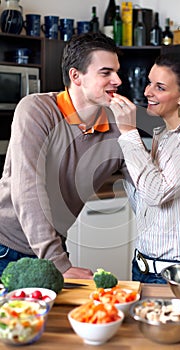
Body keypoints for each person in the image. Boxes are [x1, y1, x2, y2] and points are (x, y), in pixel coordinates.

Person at [0, 32, 131, 278]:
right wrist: (58, 263)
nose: (117, 80)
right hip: (6, 247)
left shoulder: (118, 128)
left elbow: (148, 192)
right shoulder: (37, 110)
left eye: (117, 71)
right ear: (76, 76)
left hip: (54, 248)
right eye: (106, 72)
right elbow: (27, 187)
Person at [110, 52, 180, 283]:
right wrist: (125, 161)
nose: (147, 92)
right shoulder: (162, 136)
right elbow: (146, 206)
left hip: (179, 275)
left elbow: (157, 194)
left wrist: (129, 133)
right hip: (141, 268)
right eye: (150, 82)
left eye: (159, 87)